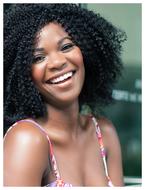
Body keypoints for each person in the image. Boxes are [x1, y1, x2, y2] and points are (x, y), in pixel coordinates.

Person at [4, 4, 126, 187]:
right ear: (23, 73)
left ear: (86, 51)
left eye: (66, 46)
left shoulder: (104, 133)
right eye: (38, 58)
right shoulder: (27, 140)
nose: (57, 62)